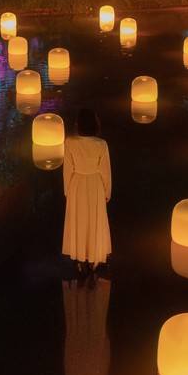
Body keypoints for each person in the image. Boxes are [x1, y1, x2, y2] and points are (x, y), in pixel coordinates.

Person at [60, 107, 112, 276]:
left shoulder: (70, 142)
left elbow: (67, 169)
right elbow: (106, 171)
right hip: (95, 185)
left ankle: (80, 258)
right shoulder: (101, 144)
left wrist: (67, 190)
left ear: (78, 124)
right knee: (93, 220)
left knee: (79, 220)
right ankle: (92, 259)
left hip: (77, 184)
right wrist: (107, 191)